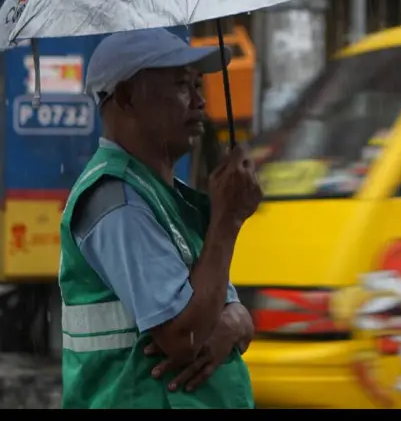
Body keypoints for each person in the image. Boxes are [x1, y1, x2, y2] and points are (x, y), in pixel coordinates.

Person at [58, 28, 263, 409]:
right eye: (182, 86)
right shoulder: (116, 200)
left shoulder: (168, 197)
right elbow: (184, 337)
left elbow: (231, 315)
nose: (200, 102)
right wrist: (227, 222)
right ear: (127, 97)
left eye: (198, 85)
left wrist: (233, 319)